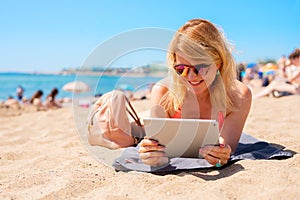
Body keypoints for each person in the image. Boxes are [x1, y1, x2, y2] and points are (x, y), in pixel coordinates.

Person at [138, 19, 252, 167]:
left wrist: (220, 156)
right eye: (181, 69)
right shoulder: (163, 92)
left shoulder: (238, 96)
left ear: (219, 63)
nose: (191, 77)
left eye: (200, 68)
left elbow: (222, 157)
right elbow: (157, 154)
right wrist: (151, 155)